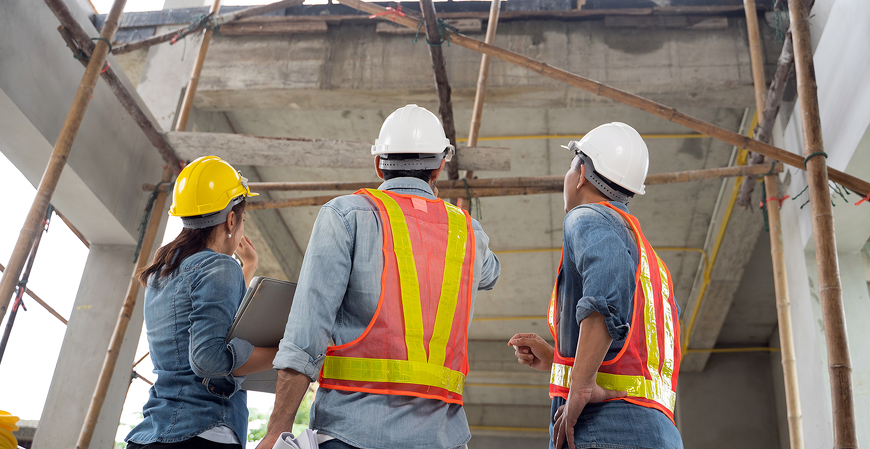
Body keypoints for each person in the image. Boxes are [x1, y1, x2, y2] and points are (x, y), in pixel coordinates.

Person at [257, 104, 501, 449]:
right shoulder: (468, 233)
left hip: (350, 434)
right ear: (440, 166)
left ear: (378, 163)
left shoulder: (346, 216)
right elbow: (491, 273)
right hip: (442, 439)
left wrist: (275, 432)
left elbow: (304, 338)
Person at [508, 123, 683, 449]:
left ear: (582, 173)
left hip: (607, 427)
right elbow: (633, 356)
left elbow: (606, 298)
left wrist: (582, 384)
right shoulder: (650, 259)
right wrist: (560, 361)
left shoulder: (587, 216)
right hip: (659, 431)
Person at [126, 156, 278, 449]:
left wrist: (248, 268)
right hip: (202, 432)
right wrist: (284, 352)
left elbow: (210, 313)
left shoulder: (164, 270)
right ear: (232, 219)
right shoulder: (220, 267)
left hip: (154, 432)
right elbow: (209, 360)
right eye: (242, 219)